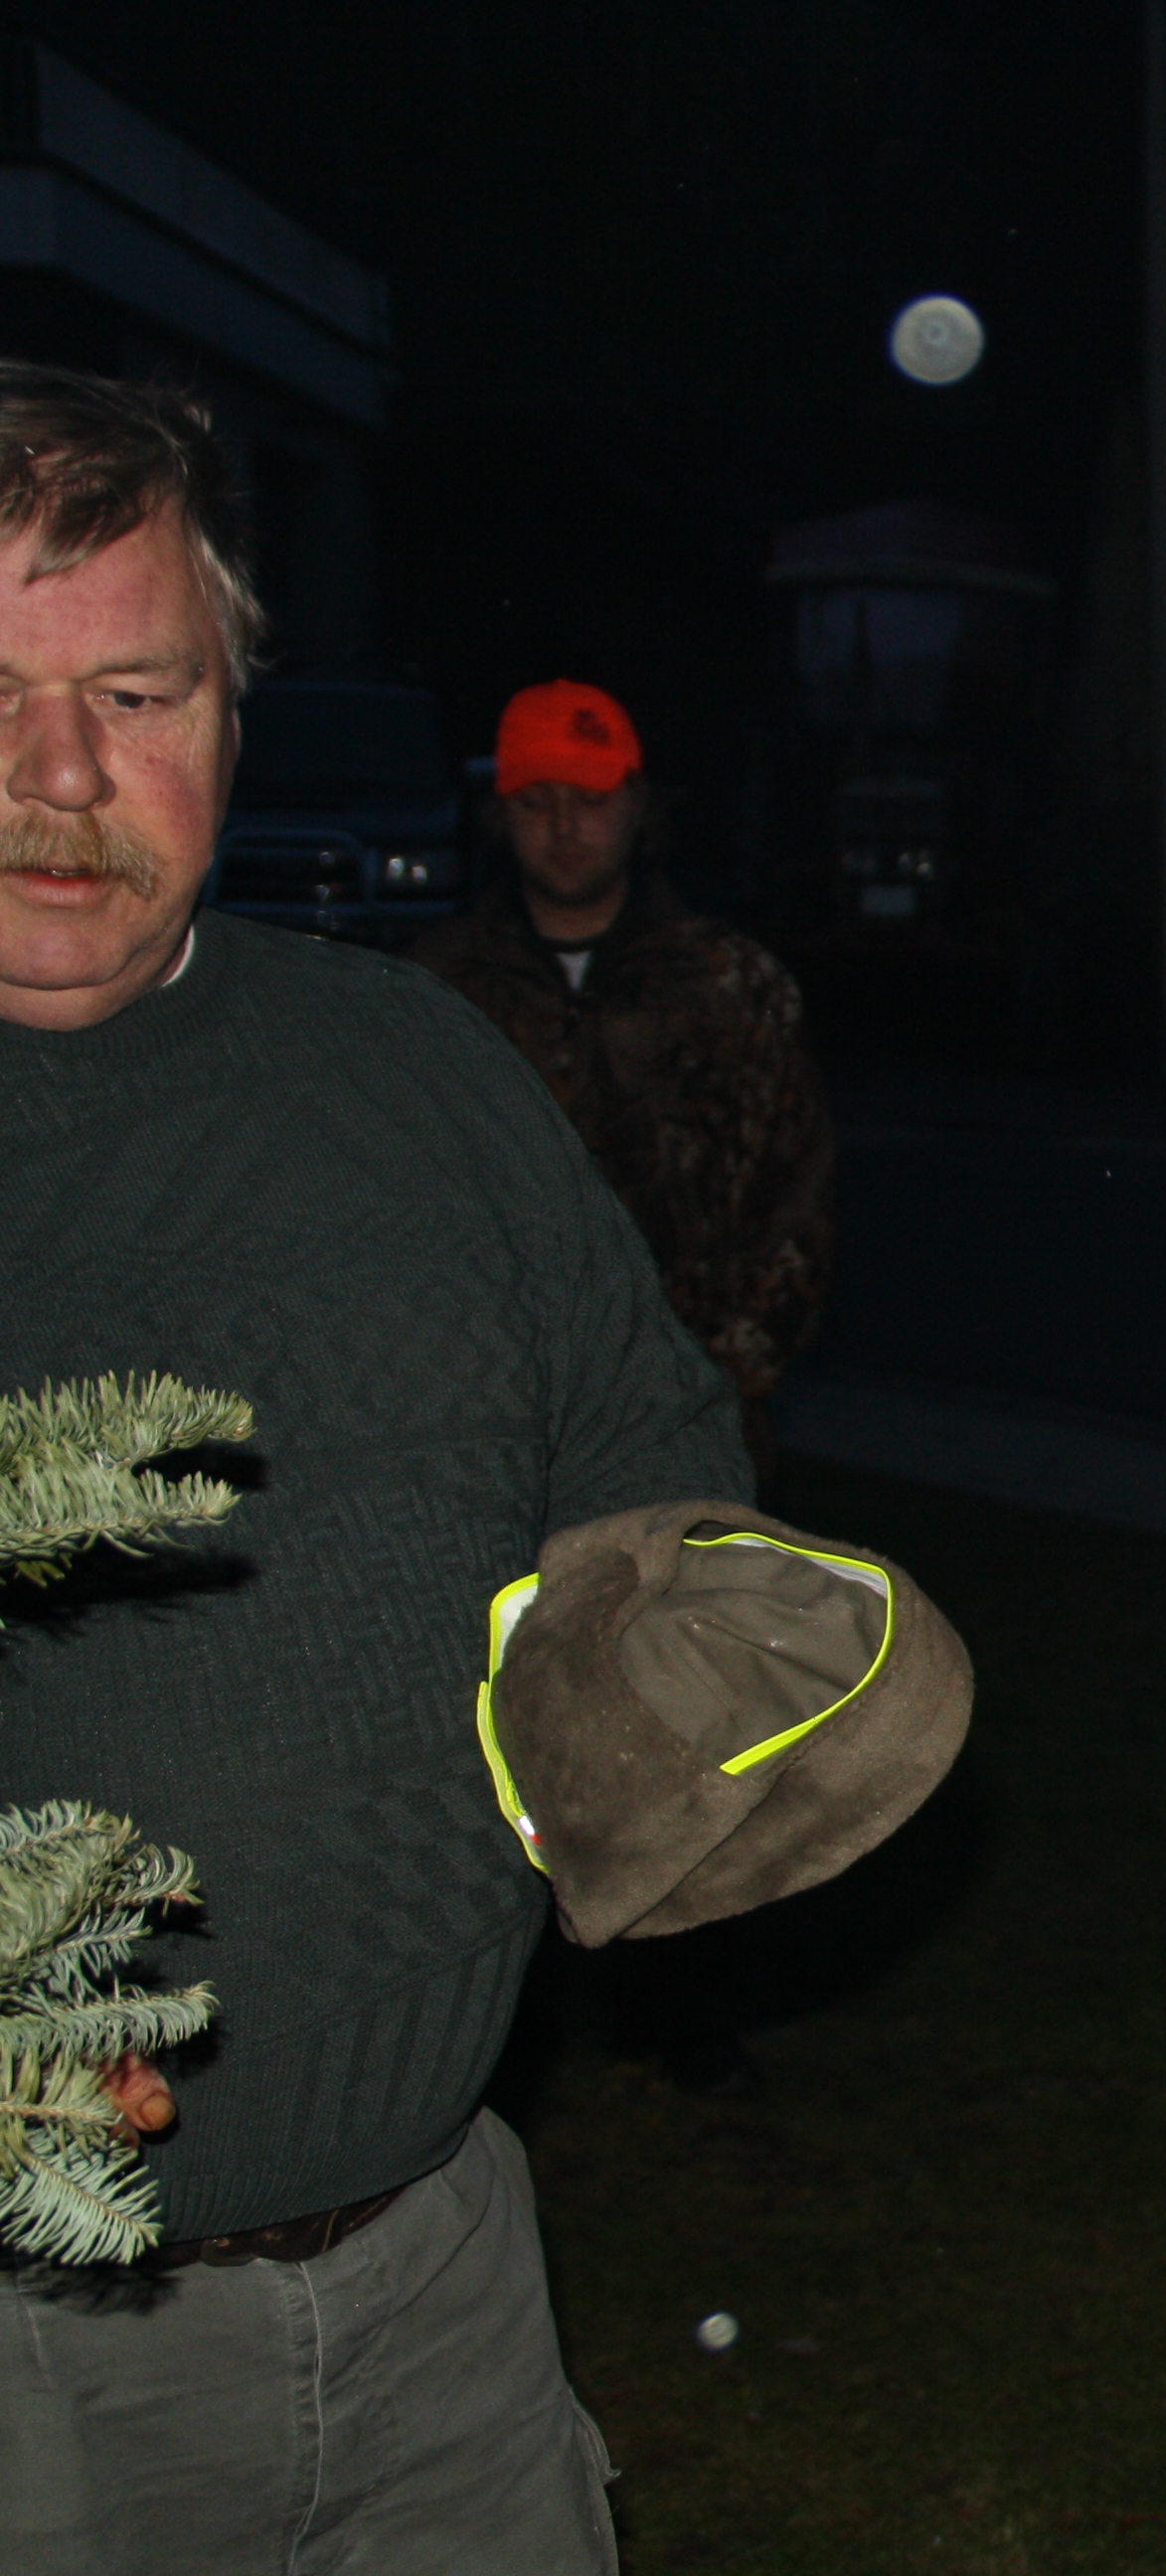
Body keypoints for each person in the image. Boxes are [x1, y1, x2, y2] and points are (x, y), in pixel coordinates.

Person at [0, 366, 746, 2568]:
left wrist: (701, 1676)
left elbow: (645, 1452)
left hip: (443, 2294)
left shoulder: (414, 1071)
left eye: (135, 693)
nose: (61, 774)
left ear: (233, 713)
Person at [409, 681, 835, 1481]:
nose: (565, 826)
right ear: (500, 815)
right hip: (488, 1440)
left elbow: (796, 1205)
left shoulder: (731, 986)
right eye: (537, 802)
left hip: (690, 1437)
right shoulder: (433, 994)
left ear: (637, 807)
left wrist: (719, 1380)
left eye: (591, 800)